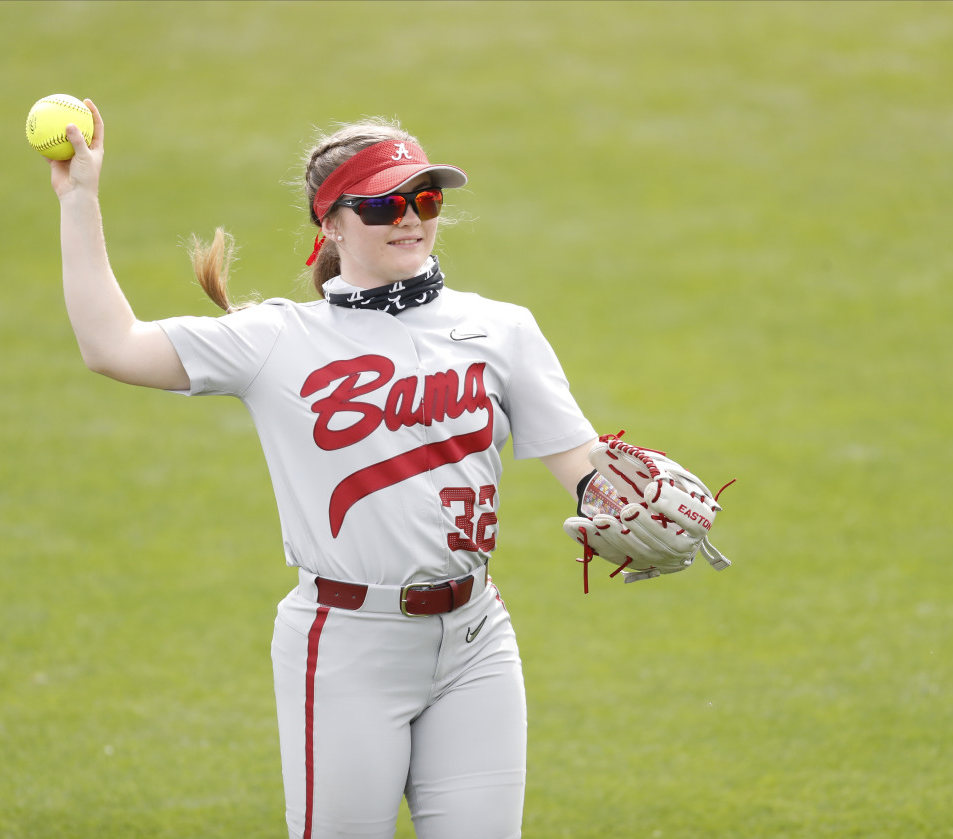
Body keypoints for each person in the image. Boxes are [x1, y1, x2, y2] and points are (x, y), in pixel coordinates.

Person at [45, 99, 724, 839]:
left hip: (475, 639)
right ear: (331, 224)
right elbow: (111, 346)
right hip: (344, 647)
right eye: (382, 205)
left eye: (424, 197)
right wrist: (80, 198)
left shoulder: (503, 328)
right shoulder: (277, 339)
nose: (410, 217)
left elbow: (582, 465)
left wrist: (627, 499)